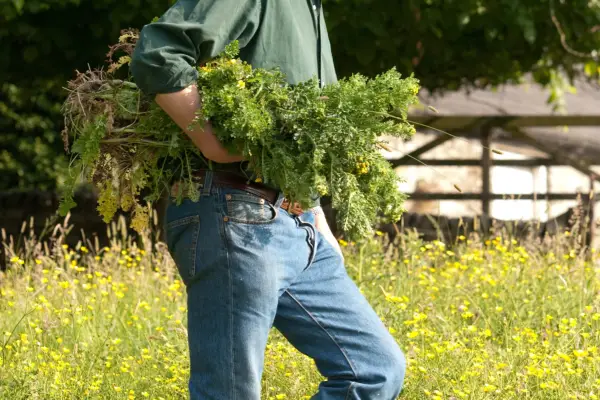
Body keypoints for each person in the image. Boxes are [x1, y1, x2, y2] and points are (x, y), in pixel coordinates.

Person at [130, 1, 406, 399]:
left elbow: (306, 135)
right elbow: (159, 50)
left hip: (298, 222)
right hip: (235, 212)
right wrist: (212, 141)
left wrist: (316, 216)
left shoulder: (311, 10)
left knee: (373, 371)